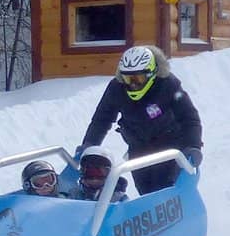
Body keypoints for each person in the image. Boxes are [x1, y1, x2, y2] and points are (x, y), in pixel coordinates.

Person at [78, 45, 203, 195]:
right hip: (138, 147)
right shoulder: (116, 88)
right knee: (145, 191)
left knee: (163, 190)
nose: (133, 84)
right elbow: (102, 119)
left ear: (151, 73)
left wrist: (193, 145)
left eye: (139, 78)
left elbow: (189, 117)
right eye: (128, 78)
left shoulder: (168, 85)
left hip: (169, 146)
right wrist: (89, 144)